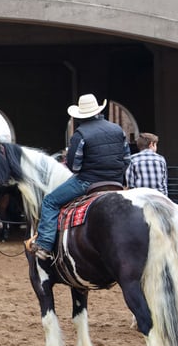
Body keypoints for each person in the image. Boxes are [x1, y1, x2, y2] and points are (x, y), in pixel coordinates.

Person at [32, 93, 130, 261]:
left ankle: (45, 245)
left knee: (50, 201)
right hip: (116, 182)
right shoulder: (117, 129)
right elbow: (127, 159)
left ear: (80, 115)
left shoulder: (81, 134)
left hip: (88, 182)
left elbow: (74, 167)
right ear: (98, 111)